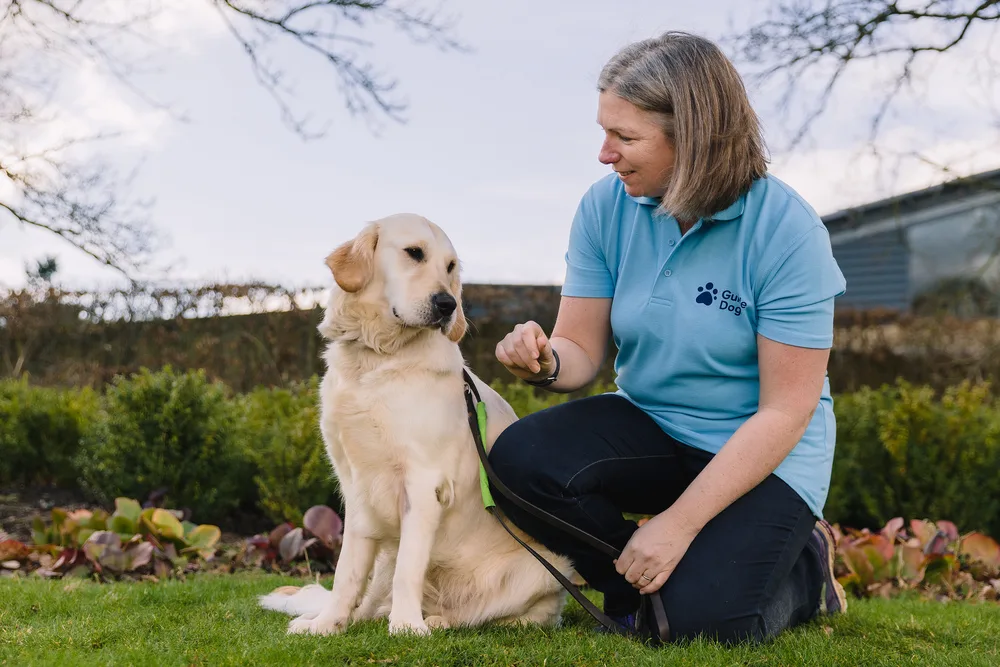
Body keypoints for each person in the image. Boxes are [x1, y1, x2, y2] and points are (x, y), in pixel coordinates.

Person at [489, 31, 848, 645]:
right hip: (653, 424)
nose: (605, 154)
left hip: (761, 454)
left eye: (625, 138)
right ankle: (641, 586)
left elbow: (786, 412)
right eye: (605, 132)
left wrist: (677, 525)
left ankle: (808, 563)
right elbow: (579, 355)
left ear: (695, 140)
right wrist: (544, 362)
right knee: (520, 460)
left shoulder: (788, 232)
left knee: (703, 629)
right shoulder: (606, 209)